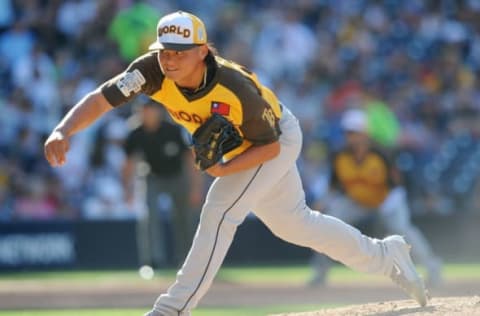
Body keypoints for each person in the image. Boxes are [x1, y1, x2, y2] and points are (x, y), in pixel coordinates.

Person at [44, 11, 429, 316]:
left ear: (203, 51)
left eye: (181, 50)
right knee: (296, 224)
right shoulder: (149, 71)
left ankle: (173, 308)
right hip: (249, 147)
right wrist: (64, 130)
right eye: (164, 50)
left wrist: (222, 170)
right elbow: (101, 97)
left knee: (219, 209)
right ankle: (386, 256)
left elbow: (271, 147)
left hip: (273, 139)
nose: (170, 58)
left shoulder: (234, 88)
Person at [309, 109, 442, 287]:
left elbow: (398, 183)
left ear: (365, 133)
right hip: (355, 201)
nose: (350, 136)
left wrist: (390, 205)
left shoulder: (381, 153)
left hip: (386, 199)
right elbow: (334, 185)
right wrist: (322, 203)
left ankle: (432, 266)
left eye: (354, 132)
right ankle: (320, 273)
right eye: (347, 132)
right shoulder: (339, 156)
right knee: (328, 225)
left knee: (403, 229)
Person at [122, 100, 202, 267]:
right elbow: (128, 164)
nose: (148, 113)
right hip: (151, 176)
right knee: (149, 217)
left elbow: (190, 159)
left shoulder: (172, 130)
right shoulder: (135, 133)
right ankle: (151, 262)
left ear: (158, 111)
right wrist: (127, 190)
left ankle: (188, 260)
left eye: (151, 110)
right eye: (144, 110)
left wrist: (195, 188)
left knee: (184, 218)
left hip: (177, 176)